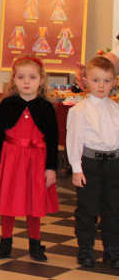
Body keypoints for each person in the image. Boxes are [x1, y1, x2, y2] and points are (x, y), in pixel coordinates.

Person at [0, 56, 58, 261]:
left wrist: (51, 168)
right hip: (11, 159)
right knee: (9, 200)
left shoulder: (46, 107)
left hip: (37, 161)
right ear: (14, 80)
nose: (26, 82)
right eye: (21, 77)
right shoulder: (7, 105)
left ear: (41, 80)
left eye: (32, 77)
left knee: (34, 202)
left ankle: (35, 242)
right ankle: (6, 241)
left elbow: (52, 140)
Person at [66, 55, 119, 268]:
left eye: (106, 81)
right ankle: (85, 250)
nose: (101, 85)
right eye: (96, 80)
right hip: (90, 164)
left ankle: (112, 251)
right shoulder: (79, 110)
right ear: (86, 80)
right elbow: (74, 141)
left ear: (114, 82)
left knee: (113, 209)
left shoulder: (116, 109)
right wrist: (76, 169)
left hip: (114, 164)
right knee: (87, 210)